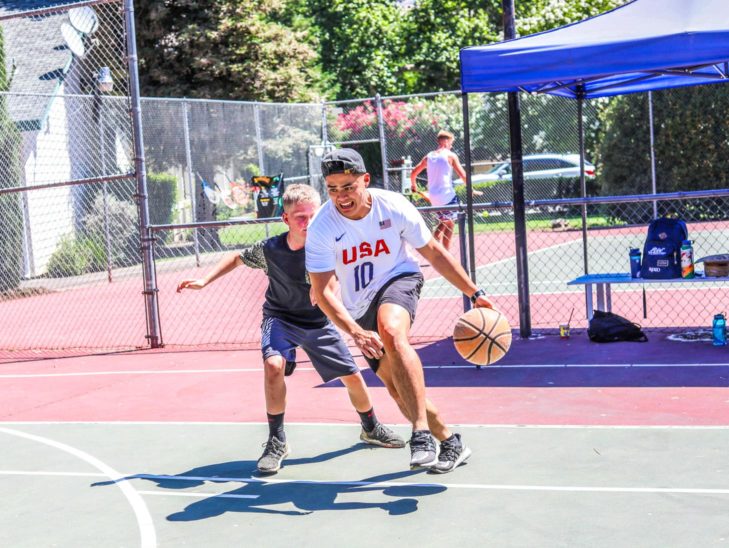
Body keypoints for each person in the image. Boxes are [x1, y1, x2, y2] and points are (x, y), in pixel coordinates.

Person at [177, 184, 404, 474]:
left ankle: (370, 427)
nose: (307, 222)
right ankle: (276, 440)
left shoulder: (330, 245)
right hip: (281, 317)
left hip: (319, 321)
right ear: (286, 219)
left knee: (353, 378)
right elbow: (236, 257)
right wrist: (205, 281)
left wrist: (325, 291)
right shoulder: (271, 250)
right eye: (299, 217)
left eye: (313, 215)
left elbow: (337, 276)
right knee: (273, 366)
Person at [306, 149, 495, 474]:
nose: (341, 196)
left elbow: (433, 253)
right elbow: (321, 292)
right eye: (333, 188)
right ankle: (451, 441)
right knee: (397, 389)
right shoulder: (322, 226)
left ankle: (420, 433)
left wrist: (474, 292)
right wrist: (355, 331)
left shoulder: (391, 206)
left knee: (392, 331)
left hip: (399, 278)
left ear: (365, 180)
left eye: (348, 186)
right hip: (358, 308)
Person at [410, 130, 468, 251]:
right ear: (446, 141)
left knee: (443, 222)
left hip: (434, 199)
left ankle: (434, 246)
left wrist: (414, 185)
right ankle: (446, 254)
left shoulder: (429, 156)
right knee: (450, 224)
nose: (451, 146)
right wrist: (471, 188)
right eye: (451, 143)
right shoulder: (450, 155)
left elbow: (414, 172)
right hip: (447, 196)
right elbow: (463, 175)